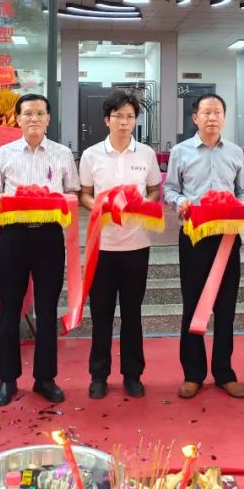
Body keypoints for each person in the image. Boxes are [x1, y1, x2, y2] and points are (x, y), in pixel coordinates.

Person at [0, 94, 80, 407]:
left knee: (47, 308)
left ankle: (45, 378)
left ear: (48, 118)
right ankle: (7, 379)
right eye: (27, 113)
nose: (34, 118)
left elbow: (72, 193)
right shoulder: (5, 152)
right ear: (18, 118)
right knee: (10, 308)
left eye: (40, 113)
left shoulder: (62, 153)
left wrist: (54, 200)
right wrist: (6, 200)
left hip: (49, 237)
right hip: (13, 236)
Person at [164, 93, 244, 400]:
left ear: (224, 118)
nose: (212, 117)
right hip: (195, 236)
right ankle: (193, 374)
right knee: (193, 305)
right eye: (206, 113)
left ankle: (224, 372)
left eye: (217, 112)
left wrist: (243, 206)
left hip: (227, 236)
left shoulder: (235, 153)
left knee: (226, 307)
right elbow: (170, 189)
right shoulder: (180, 152)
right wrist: (180, 202)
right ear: (195, 118)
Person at [78, 92, 161, 399]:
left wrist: (142, 204)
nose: (124, 122)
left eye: (129, 117)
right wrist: (102, 206)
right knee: (101, 313)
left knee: (132, 313)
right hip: (102, 245)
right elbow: (84, 194)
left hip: (137, 245)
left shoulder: (146, 154)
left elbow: (154, 190)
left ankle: (133, 374)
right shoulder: (91, 155)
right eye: (118, 117)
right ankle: (98, 375)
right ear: (107, 120)